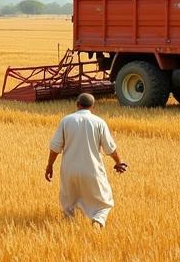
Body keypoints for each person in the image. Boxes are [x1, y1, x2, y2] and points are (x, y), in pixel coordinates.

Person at [45, 93, 128, 228]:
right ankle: (98, 222)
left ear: (77, 104)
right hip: (92, 172)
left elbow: (55, 147)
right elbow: (110, 148)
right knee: (103, 204)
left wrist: (49, 166)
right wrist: (118, 162)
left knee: (69, 208)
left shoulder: (66, 121)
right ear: (93, 107)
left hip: (69, 172)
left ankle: (68, 232)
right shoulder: (99, 122)